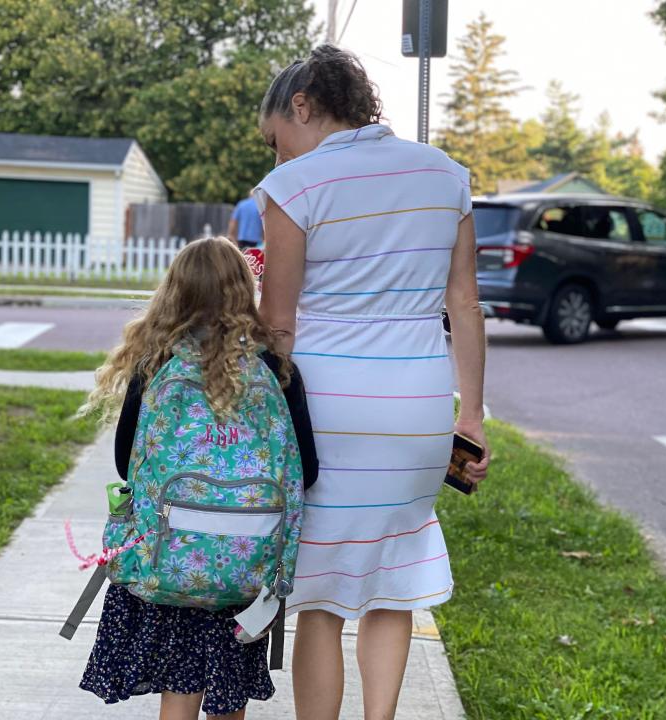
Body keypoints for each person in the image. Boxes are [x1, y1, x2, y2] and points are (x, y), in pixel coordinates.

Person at [253, 45, 490, 720]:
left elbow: (278, 321)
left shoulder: (295, 187)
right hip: (417, 405)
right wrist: (469, 416)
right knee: (394, 587)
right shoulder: (446, 175)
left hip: (325, 410)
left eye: (276, 140)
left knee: (322, 599)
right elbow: (464, 305)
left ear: (302, 106)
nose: (278, 157)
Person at [78, 237, 318, 720]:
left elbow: (129, 463)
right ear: (244, 291)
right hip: (246, 567)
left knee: (180, 687)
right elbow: (304, 471)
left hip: (171, 560)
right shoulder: (275, 368)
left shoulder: (155, 365)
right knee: (229, 694)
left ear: (173, 292)